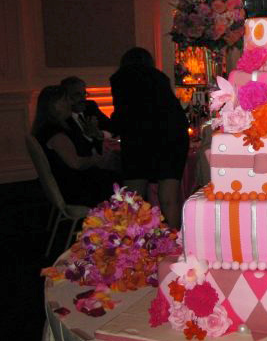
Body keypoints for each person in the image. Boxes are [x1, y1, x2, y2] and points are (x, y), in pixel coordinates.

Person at [110, 47, 189, 229]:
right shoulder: (159, 77)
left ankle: (133, 239)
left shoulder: (120, 78)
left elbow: (123, 114)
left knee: (133, 197)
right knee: (169, 198)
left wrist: (112, 128)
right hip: (172, 136)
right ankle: (174, 239)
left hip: (139, 138)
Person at [31, 85, 117, 207]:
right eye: (66, 100)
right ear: (54, 105)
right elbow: (76, 163)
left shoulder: (45, 128)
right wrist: (98, 159)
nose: (71, 103)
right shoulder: (55, 133)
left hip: (64, 182)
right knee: (120, 180)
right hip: (73, 189)